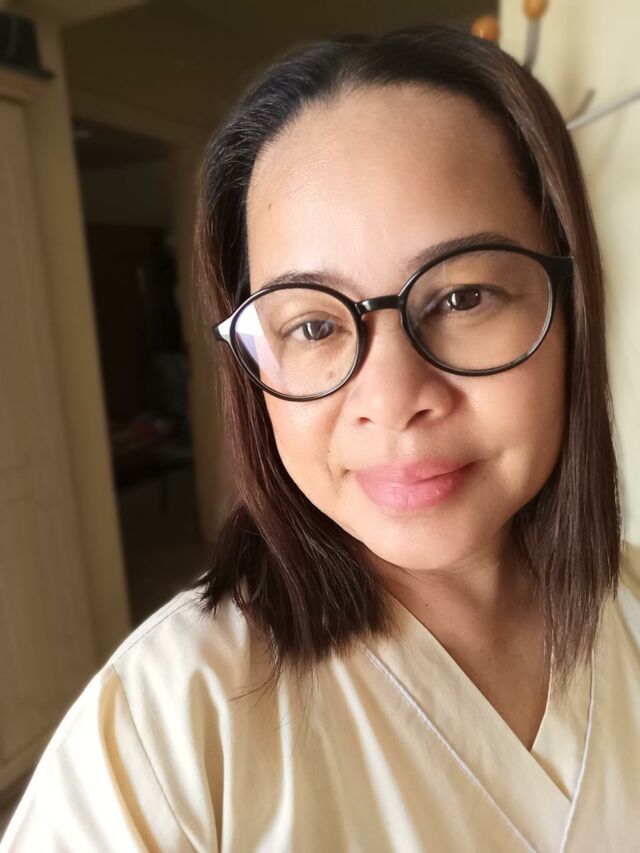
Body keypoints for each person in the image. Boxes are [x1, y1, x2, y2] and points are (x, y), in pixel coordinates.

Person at [2, 24, 639, 853]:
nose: (393, 400)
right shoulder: (168, 733)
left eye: (463, 298)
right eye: (312, 325)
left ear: (570, 304)